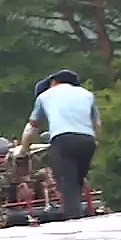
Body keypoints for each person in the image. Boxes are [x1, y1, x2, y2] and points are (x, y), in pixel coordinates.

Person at [17, 69, 101, 220]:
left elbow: (31, 128)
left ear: (54, 82)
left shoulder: (45, 96)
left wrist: (23, 150)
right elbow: (97, 123)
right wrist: (95, 142)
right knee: (77, 181)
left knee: (67, 182)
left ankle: (74, 220)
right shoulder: (88, 95)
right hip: (88, 141)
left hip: (62, 140)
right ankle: (79, 213)